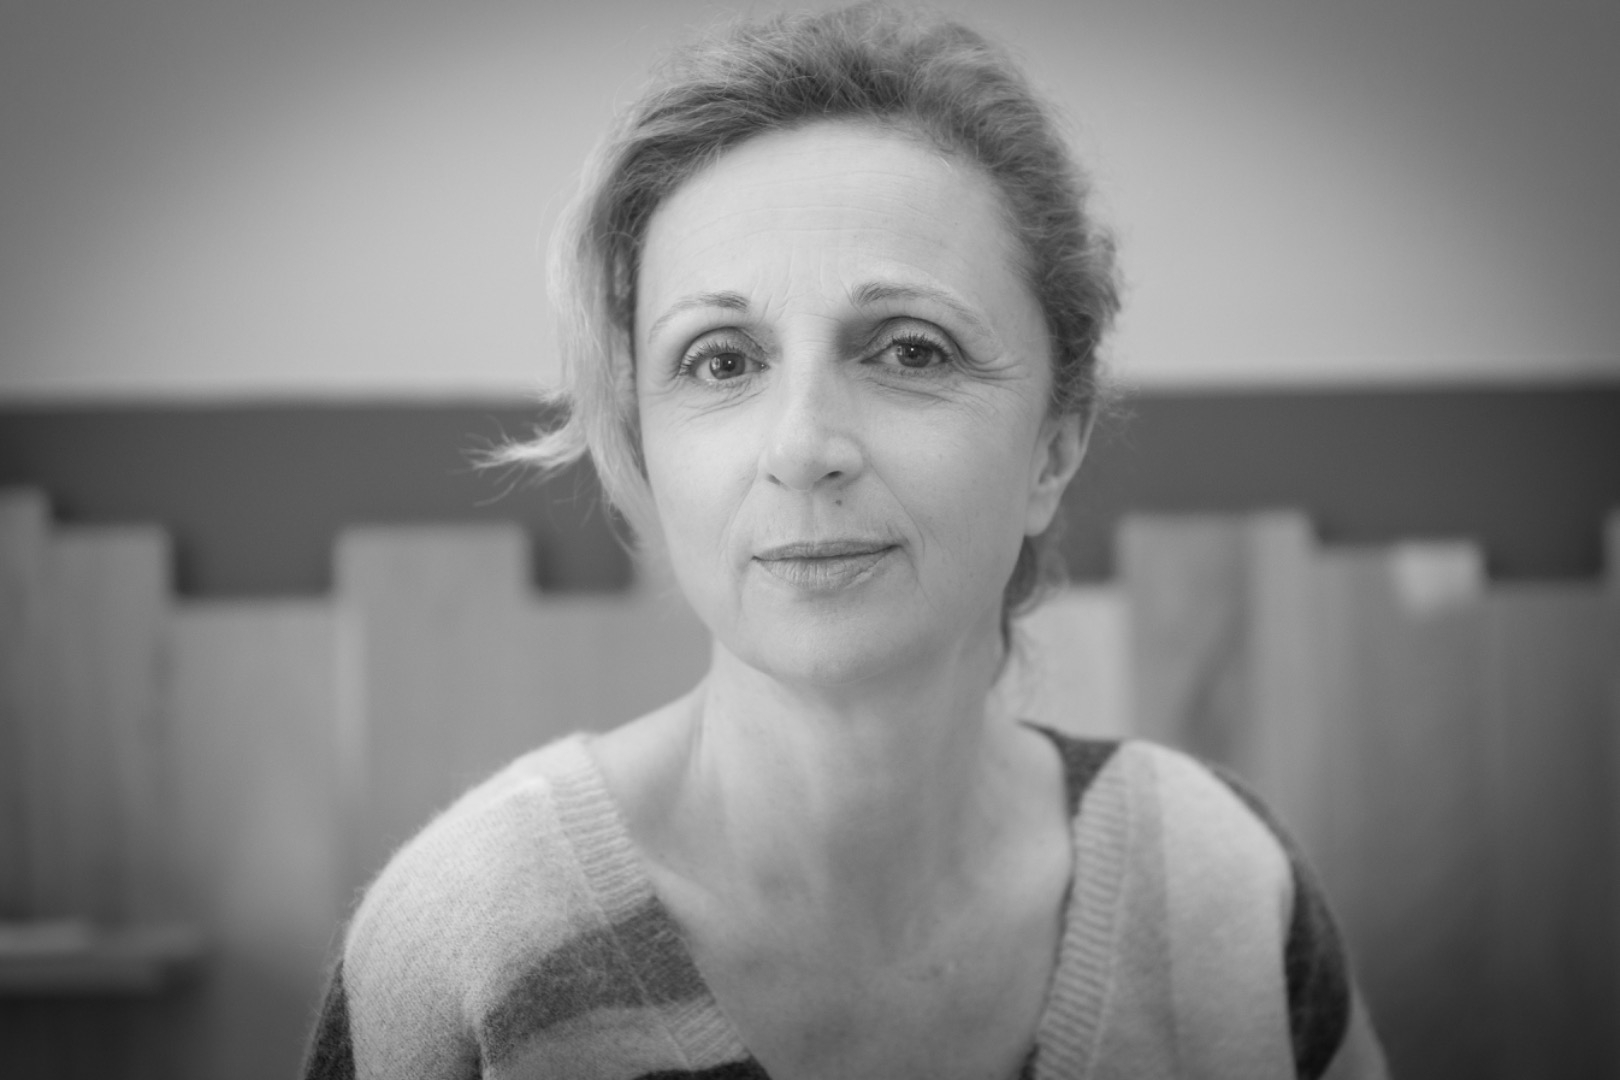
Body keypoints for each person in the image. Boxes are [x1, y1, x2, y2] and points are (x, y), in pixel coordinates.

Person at [303, 5, 1386, 1077]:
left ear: (1053, 450)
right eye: (721, 360)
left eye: (911, 351)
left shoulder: (1226, 896)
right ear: (643, 444)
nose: (803, 447)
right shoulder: (463, 946)